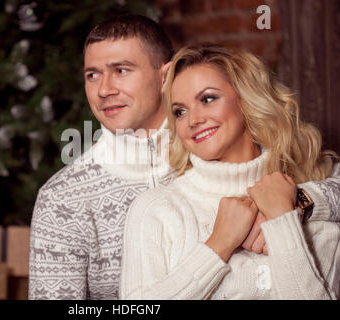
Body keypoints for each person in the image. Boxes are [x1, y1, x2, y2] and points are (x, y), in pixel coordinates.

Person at [29, 15, 340, 300]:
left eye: (121, 70)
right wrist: (220, 244)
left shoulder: (224, 150)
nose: (104, 89)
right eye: (93, 75)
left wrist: (298, 201)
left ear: (165, 76)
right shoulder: (63, 198)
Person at [119, 44, 340, 300]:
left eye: (208, 99)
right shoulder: (156, 209)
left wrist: (284, 216)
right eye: (180, 111)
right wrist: (218, 245)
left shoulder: (315, 192)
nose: (193, 120)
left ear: (246, 99)